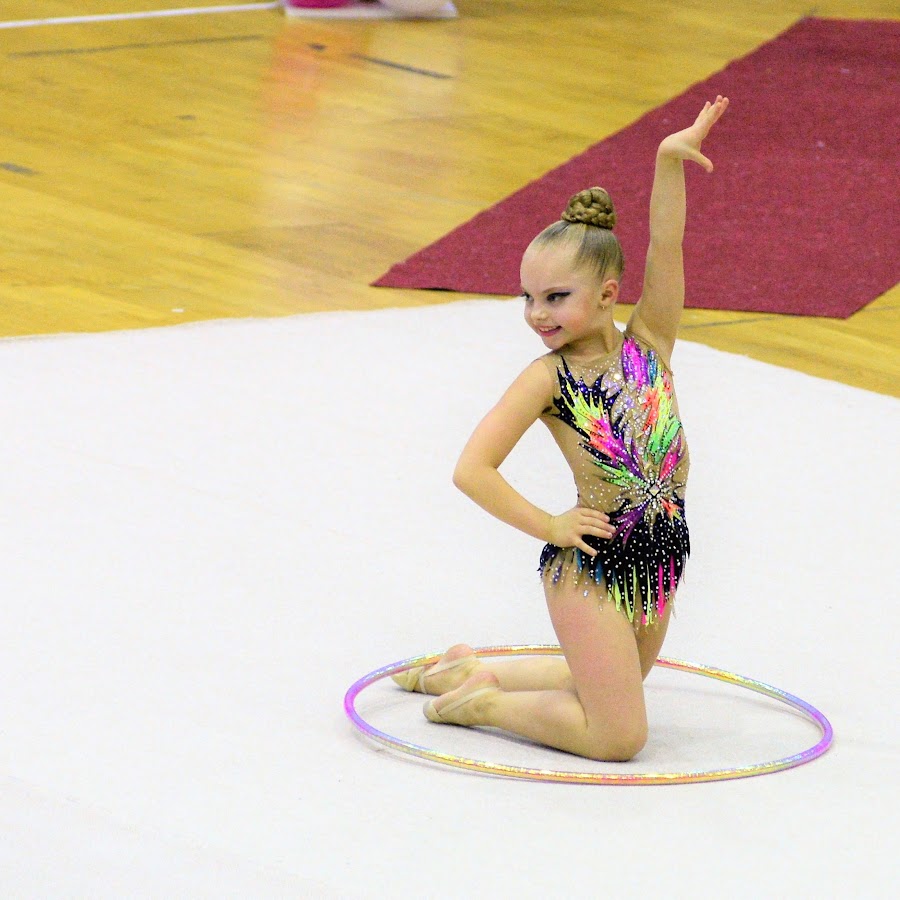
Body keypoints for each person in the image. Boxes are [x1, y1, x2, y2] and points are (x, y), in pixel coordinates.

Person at [393, 96, 729, 761]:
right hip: (591, 566)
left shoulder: (651, 344)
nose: (535, 314)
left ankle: (465, 669)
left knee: (611, 683)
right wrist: (549, 525)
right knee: (618, 735)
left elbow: (667, 245)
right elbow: (472, 470)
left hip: (659, 555)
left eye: (555, 298)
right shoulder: (548, 379)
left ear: (607, 294)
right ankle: (482, 703)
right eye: (528, 297)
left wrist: (668, 161)